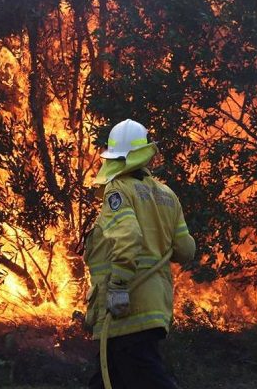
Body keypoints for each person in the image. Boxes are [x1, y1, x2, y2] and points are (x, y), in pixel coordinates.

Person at [83, 119, 196, 389]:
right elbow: (185, 250)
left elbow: (128, 237)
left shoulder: (118, 190)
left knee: (145, 376)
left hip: (128, 308)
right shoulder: (168, 195)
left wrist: (118, 286)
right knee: (108, 379)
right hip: (154, 307)